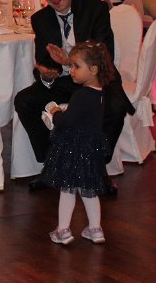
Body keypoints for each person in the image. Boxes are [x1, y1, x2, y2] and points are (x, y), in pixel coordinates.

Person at [13, 0, 133, 192]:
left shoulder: (95, 10)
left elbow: (103, 55)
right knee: (24, 100)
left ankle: (96, 167)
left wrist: (69, 61)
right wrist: (46, 75)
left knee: (116, 106)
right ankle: (52, 164)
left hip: (97, 79)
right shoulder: (41, 19)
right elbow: (42, 61)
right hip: (63, 81)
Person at [42, 40, 113, 245]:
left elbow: (66, 121)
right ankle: (95, 229)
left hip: (74, 147)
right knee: (89, 190)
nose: (71, 70)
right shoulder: (100, 94)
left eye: (76, 66)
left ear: (93, 69)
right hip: (90, 149)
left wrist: (56, 113)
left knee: (68, 189)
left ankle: (63, 230)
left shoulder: (81, 95)